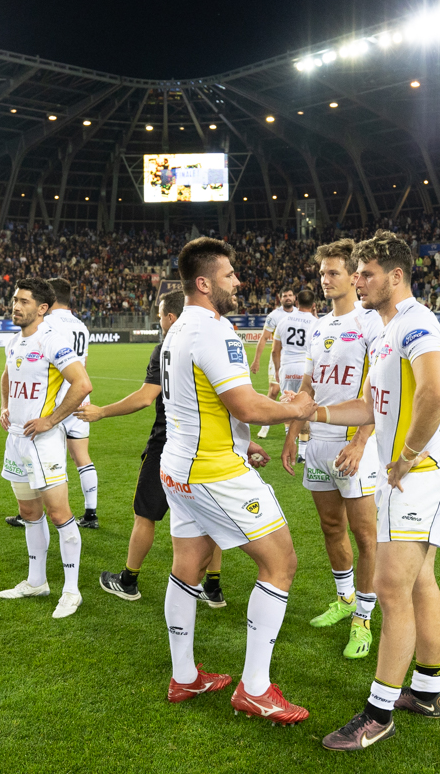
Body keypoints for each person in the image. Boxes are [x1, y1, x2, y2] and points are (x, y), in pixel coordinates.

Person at [313, 231, 440, 751]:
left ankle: (378, 713)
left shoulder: (416, 321)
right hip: (413, 476)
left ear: (395, 275)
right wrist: (312, 411)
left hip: (417, 477)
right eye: (355, 273)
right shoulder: (384, 329)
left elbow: (437, 389)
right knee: (420, 582)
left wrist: (406, 456)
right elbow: (376, 410)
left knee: (392, 588)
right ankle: (425, 691)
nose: (358, 281)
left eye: (367, 273)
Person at [158, 237, 316, 723]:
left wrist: (239, 439)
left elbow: (191, 403)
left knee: (187, 566)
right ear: (204, 283)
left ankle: (184, 677)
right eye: (229, 275)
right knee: (281, 563)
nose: (238, 282)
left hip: (178, 465)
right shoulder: (214, 331)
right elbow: (246, 404)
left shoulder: (178, 329)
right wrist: (296, 410)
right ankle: (255, 688)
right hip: (214, 473)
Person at [77, 291, 227, 607]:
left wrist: (102, 411)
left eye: (160, 315)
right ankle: (212, 588)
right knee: (210, 519)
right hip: (209, 446)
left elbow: (146, 397)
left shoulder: (167, 348)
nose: (158, 320)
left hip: (167, 445)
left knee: (145, 515)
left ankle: (128, 580)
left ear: (170, 317)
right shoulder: (211, 343)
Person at [281, 240, 383, 659]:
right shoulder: (318, 326)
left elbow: (379, 389)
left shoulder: (371, 322)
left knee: (366, 535)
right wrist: (293, 433)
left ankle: (363, 618)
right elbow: (307, 387)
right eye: (321, 273)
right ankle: (343, 601)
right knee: (330, 528)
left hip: (352, 444)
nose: (324, 280)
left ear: (353, 277)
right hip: (318, 443)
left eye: (333, 273)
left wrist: (361, 442)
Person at [0, 278, 92, 619]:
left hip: (44, 443)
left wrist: (52, 420)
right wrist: (5, 406)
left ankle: (71, 590)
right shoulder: (13, 342)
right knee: (29, 514)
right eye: (14, 299)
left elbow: (82, 384)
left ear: (41, 309)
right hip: (17, 441)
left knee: (59, 514)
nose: (15, 305)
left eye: (23, 301)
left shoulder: (53, 341)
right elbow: (8, 376)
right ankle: (37, 581)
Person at [6, 278, 98, 529]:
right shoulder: (81, 326)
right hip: (79, 402)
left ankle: (31, 512)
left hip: (51, 401)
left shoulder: (47, 326)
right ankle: (91, 511)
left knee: (42, 459)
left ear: (47, 302)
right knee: (81, 456)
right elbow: (83, 367)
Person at [270, 289, 317, 462]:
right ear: (313, 305)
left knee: (288, 406)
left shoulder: (283, 320)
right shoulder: (316, 322)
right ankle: (303, 453)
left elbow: (275, 350)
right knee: (304, 408)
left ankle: (290, 442)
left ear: (297, 302)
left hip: (287, 368)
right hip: (305, 368)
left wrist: (277, 369)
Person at [251, 288, 295, 439]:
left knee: (293, 393)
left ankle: (290, 430)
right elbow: (263, 338)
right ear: (280, 299)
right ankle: (265, 426)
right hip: (277, 358)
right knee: (274, 391)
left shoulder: (300, 314)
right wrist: (256, 360)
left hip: (295, 360)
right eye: (284, 296)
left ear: (294, 297)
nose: (288, 298)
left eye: (290, 295)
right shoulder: (274, 316)